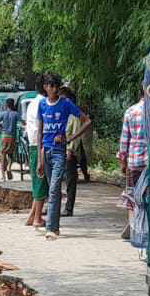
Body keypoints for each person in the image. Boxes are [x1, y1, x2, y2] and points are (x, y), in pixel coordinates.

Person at [38, 73, 91, 239]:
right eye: (50, 85)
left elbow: (86, 121)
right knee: (52, 190)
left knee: (54, 189)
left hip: (59, 152)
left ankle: (50, 228)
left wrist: (70, 138)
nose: (53, 89)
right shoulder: (42, 104)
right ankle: (55, 227)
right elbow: (40, 132)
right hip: (45, 151)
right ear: (45, 87)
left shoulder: (66, 104)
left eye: (56, 86)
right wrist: (40, 159)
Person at [118, 84, 150, 241]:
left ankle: (135, 231)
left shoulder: (131, 111)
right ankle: (149, 231)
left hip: (135, 161)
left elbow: (125, 140)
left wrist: (123, 161)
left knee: (132, 197)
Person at [61, 86, 92, 217]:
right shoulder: (65, 113)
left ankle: (69, 208)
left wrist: (70, 150)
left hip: (70, 152)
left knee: (70, 181)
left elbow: (75, 134)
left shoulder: (74, 115)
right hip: (61, 150)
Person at [24, 94, 48, 228]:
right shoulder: (43, 104)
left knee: (39, 183)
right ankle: (37, 218)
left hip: (33, 145)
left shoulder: (32, 103)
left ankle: (32, 216)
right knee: (40, 184)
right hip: (40, 146)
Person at [0, 98, 21, 180]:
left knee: (2, 155)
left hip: (4, 136)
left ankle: (3, 176)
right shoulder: (16, 114)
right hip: (12, 137)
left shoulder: (3, 114)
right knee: (11, 154)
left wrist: (0, 131)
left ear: (6, 105)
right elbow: (23, 123)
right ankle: (9, 168)